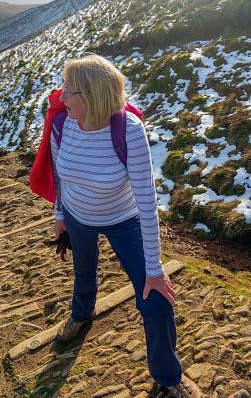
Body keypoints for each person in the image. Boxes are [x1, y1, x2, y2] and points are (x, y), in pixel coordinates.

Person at [50, 53, 201, 398]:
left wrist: (154, 269)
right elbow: (60, 177)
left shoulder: (128, 131)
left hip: (123, 219)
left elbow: (147, 202)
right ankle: (82, 313)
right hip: (77, 216)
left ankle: (167, 376)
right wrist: (60, 216)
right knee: (83, 272)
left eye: (68, 91)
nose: (61, 97)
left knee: (157, 299)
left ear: (90, 96)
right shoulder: (61, 124)